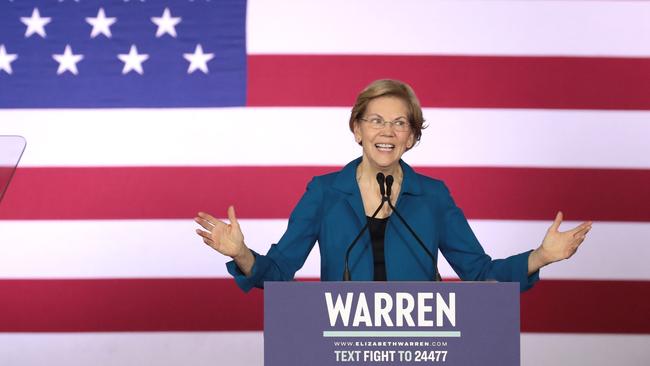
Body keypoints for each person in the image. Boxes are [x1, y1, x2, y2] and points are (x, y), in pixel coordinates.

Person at [194, 79, 592, 293]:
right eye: (376, 120)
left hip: (423, 348)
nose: (388, 131)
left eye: (401, 123)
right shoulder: (324, 192)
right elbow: (278, 273)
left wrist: (540, 256)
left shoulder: (433, 195)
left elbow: (479, 273)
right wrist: (242, 254)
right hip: (339, 346)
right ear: (357, 129)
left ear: (412, 137)